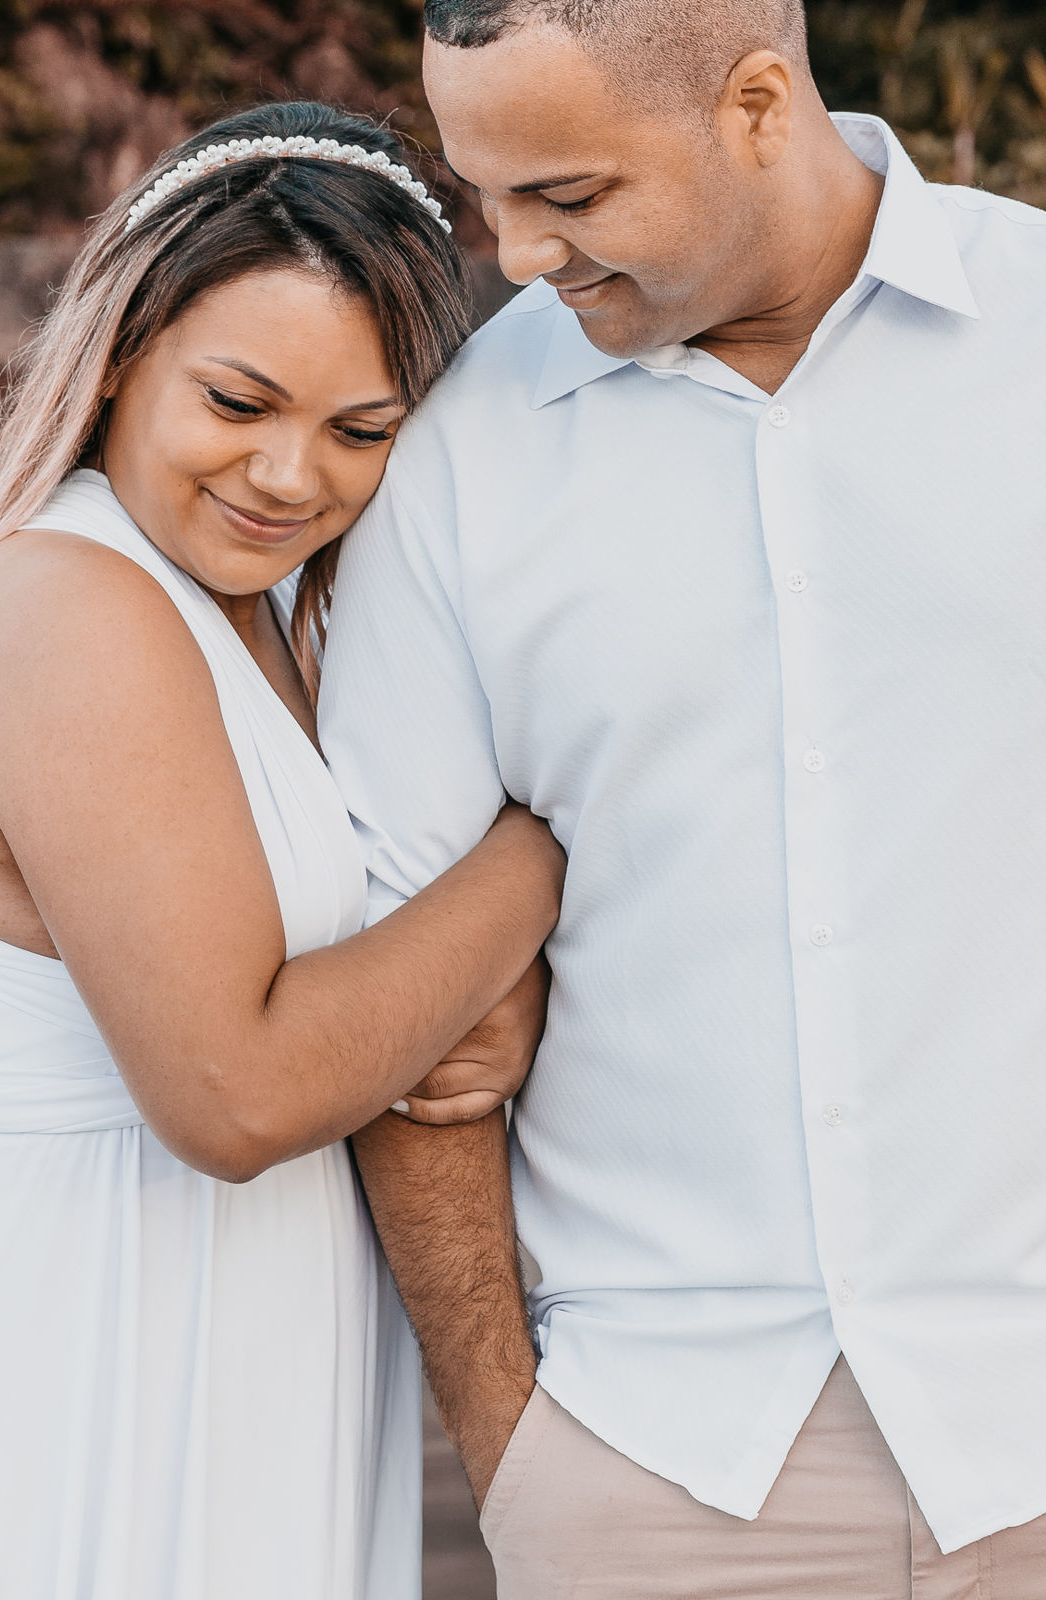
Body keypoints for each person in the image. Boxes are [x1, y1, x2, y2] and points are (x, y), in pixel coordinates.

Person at [319, 3, 1046, 1595]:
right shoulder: (458, 456)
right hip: (653, 1467)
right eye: (484, 195)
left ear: (760, 104)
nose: (512, 257)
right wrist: (512, 1449)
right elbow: (410, 1021)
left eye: (570, 197)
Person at [0, 101, 565, 1600]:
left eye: (360, 431)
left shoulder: (262, 620)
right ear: (120, 355)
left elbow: (346, 973)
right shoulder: (67, 600)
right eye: (237, 402)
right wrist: (540, 858)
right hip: (106, 1322)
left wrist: (490, 997)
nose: (291, 477)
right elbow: (234, 1093)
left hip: (254, 1314)